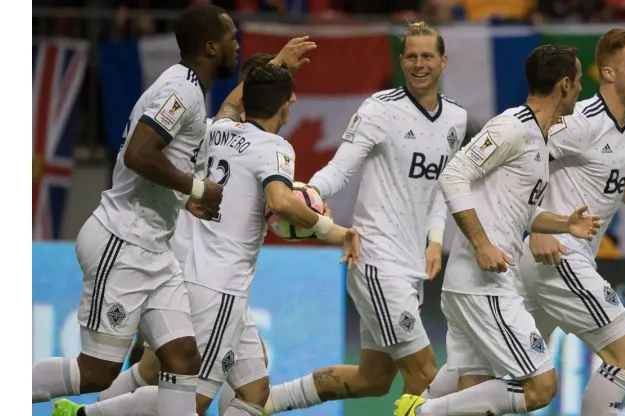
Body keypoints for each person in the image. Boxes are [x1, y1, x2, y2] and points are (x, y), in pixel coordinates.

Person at [51, 40, 320, 416]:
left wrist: (276, 68)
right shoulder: (266, 145)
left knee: (250, 388)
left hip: (190, 270)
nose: (236, 43)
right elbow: (279, 201)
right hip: (209, 279)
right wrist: (328, 228)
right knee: (180, 391)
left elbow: (232, 105)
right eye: (230, 38)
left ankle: (88, 412)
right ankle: (86, 414)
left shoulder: (214, 129)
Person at [32, 5, 239, 416]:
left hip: (153, 250)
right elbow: (139, 154)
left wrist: (185, 198)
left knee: (182, 361)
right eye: (232, 37)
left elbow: (159, 163)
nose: (237, 44)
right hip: (122, 241)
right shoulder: (180, 90)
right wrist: (198, 186)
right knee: (95, 373)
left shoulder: (190, 89)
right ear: (211, 45)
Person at [264, 21, 468, 414]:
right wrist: (310, 192)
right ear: (401, 60)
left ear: (443, 61)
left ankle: (264, 402)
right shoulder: (379, 109)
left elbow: (446, 184)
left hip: (411, 265)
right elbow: (341, 168)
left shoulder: (456, 120)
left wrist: (436, 239)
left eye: (428, 56)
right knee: (426, 372)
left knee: (373, 379)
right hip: (375, 260)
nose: (419, 64)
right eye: (411, 56)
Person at [395, 44, 599, 416]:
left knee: (472, 388)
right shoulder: (512, 126)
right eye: (580, 81)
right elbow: (454, 175)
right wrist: (481, 244)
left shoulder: (539, 137)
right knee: (540, 387)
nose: (582, 90)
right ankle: (421, 413)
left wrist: (565, 223)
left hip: (476, 284)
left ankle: (422, 407)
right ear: (565, 84)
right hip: (482, 284)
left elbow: (522, 211)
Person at [518, 29, 625, 416]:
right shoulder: (579, 121)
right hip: (558, 255)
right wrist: (535, 227)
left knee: (519, 382)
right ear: (608, 73)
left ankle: (425, 408)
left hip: (557, 263)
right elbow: (522, 161)